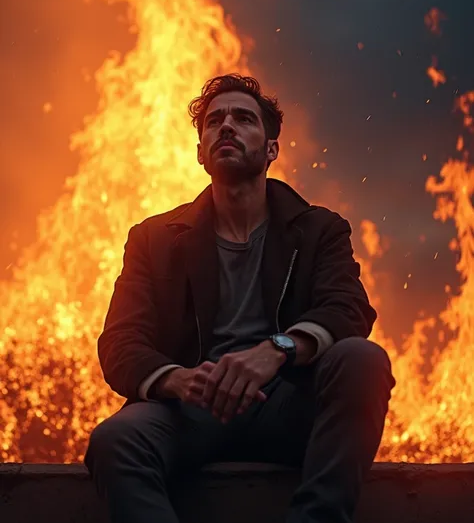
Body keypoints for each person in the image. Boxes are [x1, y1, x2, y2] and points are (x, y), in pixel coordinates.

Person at [85, 73, 395, 523]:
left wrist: (276, 351)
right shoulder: (154, 239)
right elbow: (120, 343)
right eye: (215, 122)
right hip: (191, 411)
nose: (226, 126)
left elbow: (348, 310)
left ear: (272, 148)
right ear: (199, 153)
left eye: (243, 119)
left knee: (363, 360)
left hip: (287, 406)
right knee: (115, 441)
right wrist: (180, 381)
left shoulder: (318, 230)